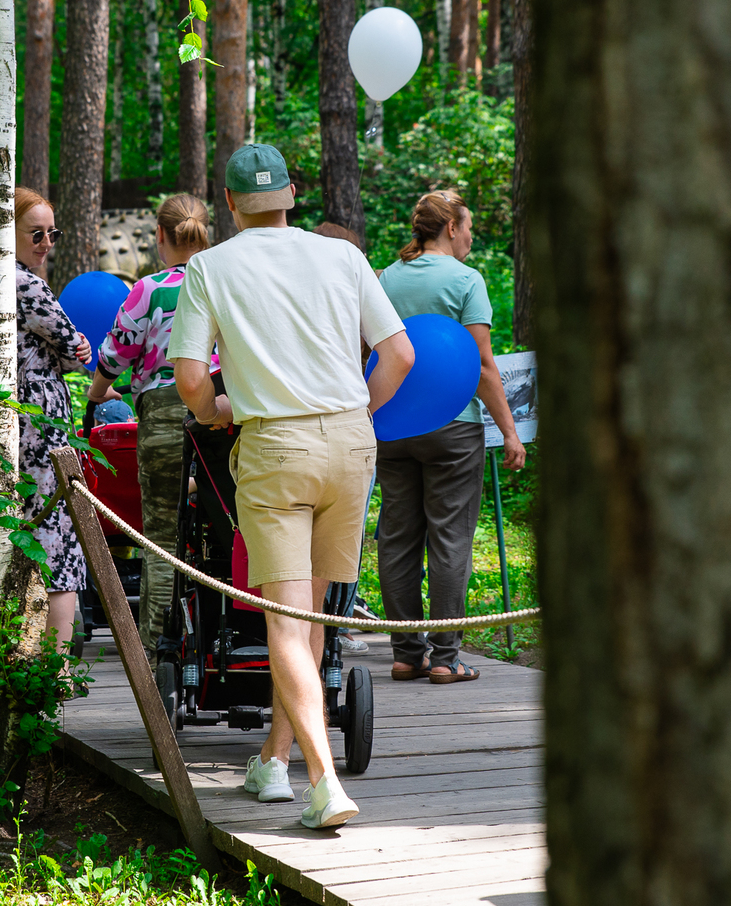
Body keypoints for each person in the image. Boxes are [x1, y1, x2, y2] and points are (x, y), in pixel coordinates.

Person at [169, 144, 415, 830]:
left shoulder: (209, 268)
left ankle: (325, 782)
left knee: (285, 619)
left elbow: (192, 379)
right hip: (349, 442)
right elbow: (400, 353)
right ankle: (274, 761)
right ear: (292, 193)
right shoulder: (341, 255)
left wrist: (212, 410)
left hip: (274, 444)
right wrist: (358, 411)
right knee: (315, 618)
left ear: (228, 203)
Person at [375, 190, 527, 686]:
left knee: (397, 537)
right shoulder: (466, 280)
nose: (471, 236)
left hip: (392, 425)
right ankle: (445, 657)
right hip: (454, 428)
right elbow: (483, 366)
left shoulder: (386, 277)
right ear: (450, 228)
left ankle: (405, 654)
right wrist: (509, 431)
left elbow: (369, 352)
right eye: (468, 226)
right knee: (451, 536)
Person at [86, 193, 213, 657]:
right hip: (220, 415)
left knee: (161, 535)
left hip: (162, 415)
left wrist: (98, 393)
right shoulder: (226, 285)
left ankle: (154, 645)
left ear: (159, 236)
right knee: (223, 530)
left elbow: (115, 353)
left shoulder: (149, 290)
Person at [12, 187, 93, 652]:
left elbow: (70, 349)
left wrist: (72, 348)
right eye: (35, 233)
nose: (46, 242)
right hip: (40, 418)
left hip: (19, 414)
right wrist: (73, 346)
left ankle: (33, 660)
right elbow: (69, 343)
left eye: (52, 233)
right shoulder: (27, 285)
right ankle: (56, 669)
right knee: (57, 538)